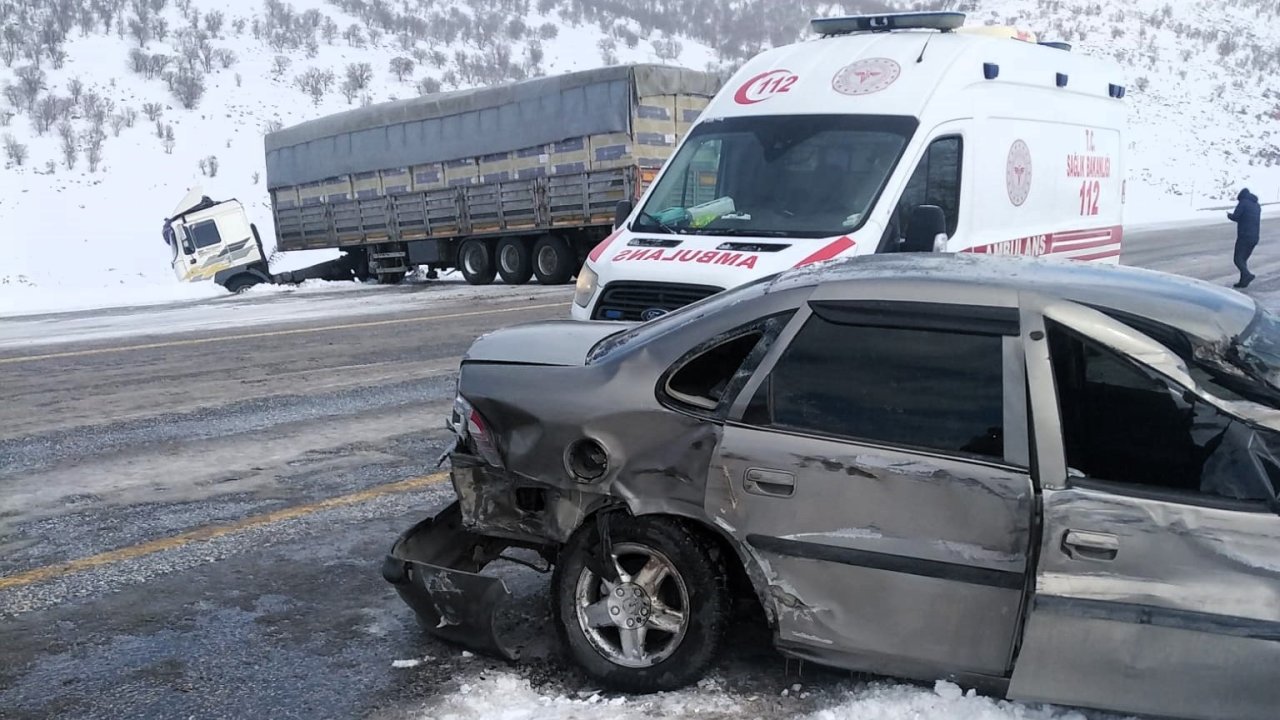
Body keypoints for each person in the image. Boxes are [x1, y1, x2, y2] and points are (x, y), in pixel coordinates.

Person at [1228, 187, 1262, 288]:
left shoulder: (1243, 203)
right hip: (1255, 237)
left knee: (1238, 259)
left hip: (1244, 236)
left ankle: (1247, 275)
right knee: (1243, 260)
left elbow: (1236, 216)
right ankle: (1243, 281)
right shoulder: (1257, 205)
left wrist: (1229, 215)